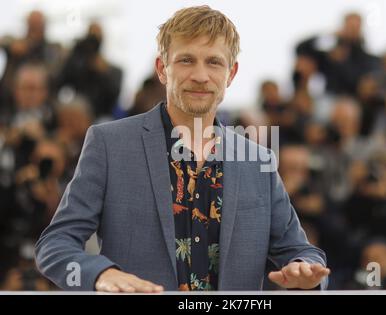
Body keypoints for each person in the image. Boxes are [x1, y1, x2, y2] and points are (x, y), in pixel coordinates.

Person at [35, 5, 329, 292]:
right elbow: (55, 245)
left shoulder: (258, 160)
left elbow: (300, 251)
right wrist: (100, 275)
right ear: (162, 69)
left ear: (232, 73)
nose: (200, 76)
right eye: (186, 60)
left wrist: (305, 270)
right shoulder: (109, 144)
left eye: (214, 62)